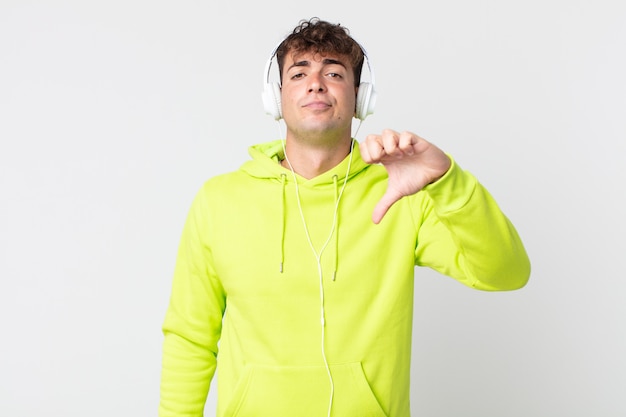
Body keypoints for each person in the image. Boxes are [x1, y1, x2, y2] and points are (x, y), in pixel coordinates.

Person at [159, 17, 530, 417]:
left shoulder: (400, 193)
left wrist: (447, 181)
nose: (316, 83)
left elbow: (506, 273)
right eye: (299, 73)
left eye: (333, 72)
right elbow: (189, 337)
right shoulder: (219, 200)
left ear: (359, 98)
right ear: (276, 97)